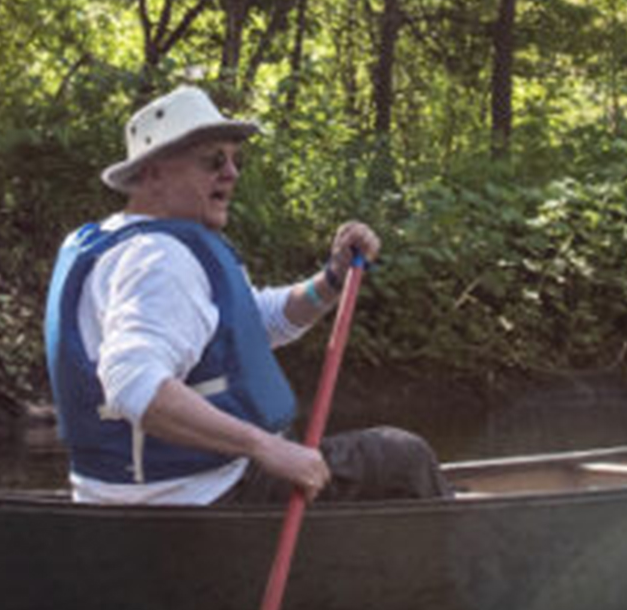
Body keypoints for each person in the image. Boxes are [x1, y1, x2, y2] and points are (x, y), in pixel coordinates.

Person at [44, 84, 447, 505]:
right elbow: (133, 383)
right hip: (202, 495)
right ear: (153, 174)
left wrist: (331, 280)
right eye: (213, 160)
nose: (231, 173)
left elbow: (257, 322)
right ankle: (456, 567)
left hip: (121, 492)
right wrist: (266, 447)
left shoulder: (120, 243)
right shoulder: (160, 260)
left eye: (237, 159)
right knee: (402, 457)